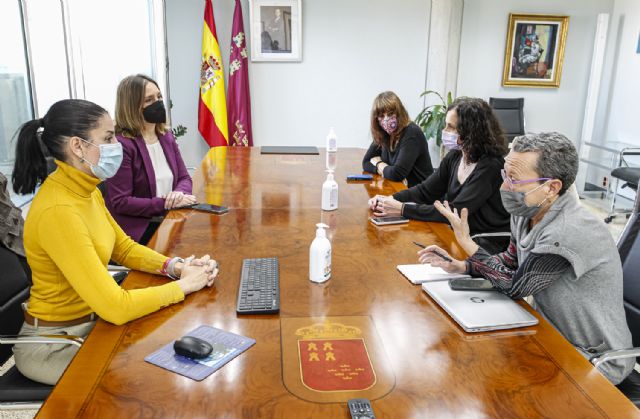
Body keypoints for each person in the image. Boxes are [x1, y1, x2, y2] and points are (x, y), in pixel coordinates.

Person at [10, 99, 218, 385]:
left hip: (90, 325)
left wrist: (176, 266)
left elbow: (124, 248)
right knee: (146, 379)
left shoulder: (87, 189)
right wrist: (184, 286)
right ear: (77, 146)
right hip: (53, 345)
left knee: (166, 350)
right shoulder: (58, 210)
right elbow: (116, 307)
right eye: (108, 138)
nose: (116, 144)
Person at [418, 132, 633, 385]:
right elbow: (511, 262)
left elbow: (515, 286)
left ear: (552, 188)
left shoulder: (568, 230)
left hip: (594, 359)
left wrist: (469, 245)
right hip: (549, 333)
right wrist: (463, 266)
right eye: (504, 175)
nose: (504, 187)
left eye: (514, 179)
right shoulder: (526, 209)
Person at [369, 97, 509, 253]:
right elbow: (425, 190)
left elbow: (455, 213)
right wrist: (390, 199)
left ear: (470, 131)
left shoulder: (490, 166)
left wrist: (402, 209)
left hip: (486, 243)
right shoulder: (455, 156)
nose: (444, 132)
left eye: (450, 127)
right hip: (461, 235)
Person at [105, 74, 195, 242]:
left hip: (170, 218)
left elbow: (184, 177)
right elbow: (121, 201)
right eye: (149, 100)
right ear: (132, 107)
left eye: (159, 97)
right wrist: (165, 203)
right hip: (140, 230)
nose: (158, 103)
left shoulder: (165, 135)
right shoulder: (122, 146)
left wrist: (178, 193)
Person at [362, 91, 433, 188]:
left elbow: (396, 174)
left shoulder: (411, 133)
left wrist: (379, 164)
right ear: (376, 119)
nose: (386, 119)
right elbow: (366, 162)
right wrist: (386, 170)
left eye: (390, 114)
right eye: (382, 116)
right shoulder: (384, 134)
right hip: (400, 190)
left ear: (399, 112)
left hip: (421, 196)